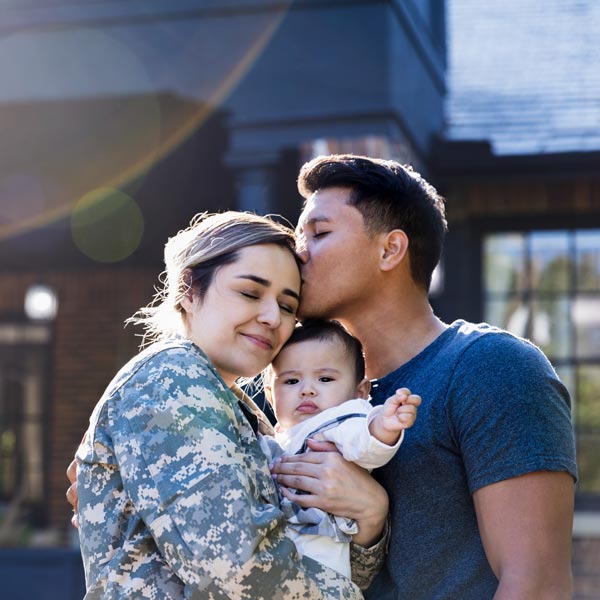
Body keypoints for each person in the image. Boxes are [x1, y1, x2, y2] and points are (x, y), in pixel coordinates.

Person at [270, 154, 577, 599]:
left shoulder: (491, 368)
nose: (298, 252)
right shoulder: (294, 391)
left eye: (318, 233)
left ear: (390, 249)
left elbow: (537, 586)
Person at [72, 211, 389, 599]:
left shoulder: (236, 407)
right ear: (189, 290)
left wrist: (371, 517)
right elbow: (240, 573)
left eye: (288, 306)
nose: (273, 317)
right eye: (250, 293)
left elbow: (312, 561)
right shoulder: (172, 378)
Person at [259, 319, 420, 578]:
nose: (307, 390)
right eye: (291, 381)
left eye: (324, 378)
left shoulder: (340, 419)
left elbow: (364, 444)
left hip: (321, 557)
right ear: (270, 393)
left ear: (360, 392)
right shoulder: (280, 435)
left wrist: (384, 426)